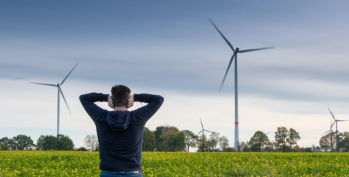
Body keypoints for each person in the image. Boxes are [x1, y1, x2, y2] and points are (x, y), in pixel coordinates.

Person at [79, 85, 164, 177]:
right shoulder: (137, 117)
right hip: (133, 173)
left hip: (108, 173)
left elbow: (83, 98)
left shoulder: (101, 117)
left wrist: (105, 97)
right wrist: (135, 97)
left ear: (112, 101)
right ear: (128, 101)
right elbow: (158, 99)